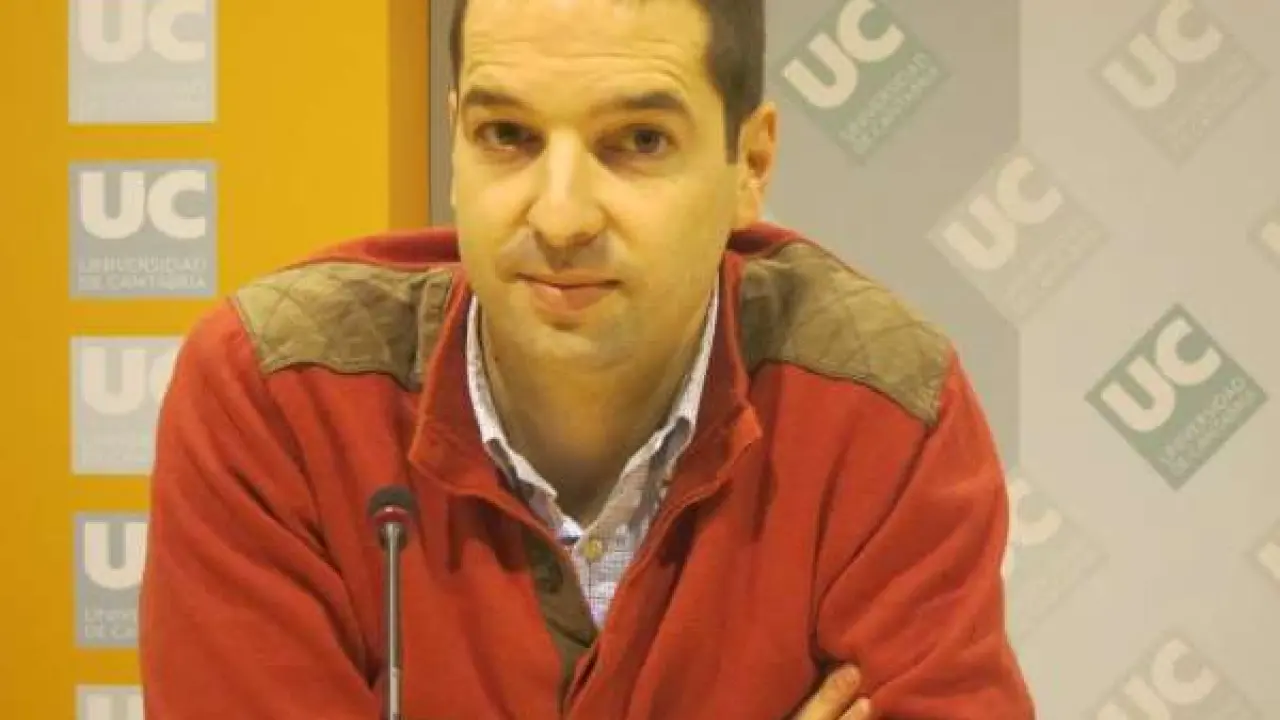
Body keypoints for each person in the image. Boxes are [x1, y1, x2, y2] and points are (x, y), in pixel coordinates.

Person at [137, 0, 1035, 717]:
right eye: (507, 136)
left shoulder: (882, 407)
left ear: (750, 164)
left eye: (638, 141)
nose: (561, 217)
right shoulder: (278, 394)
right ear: (454, 142)